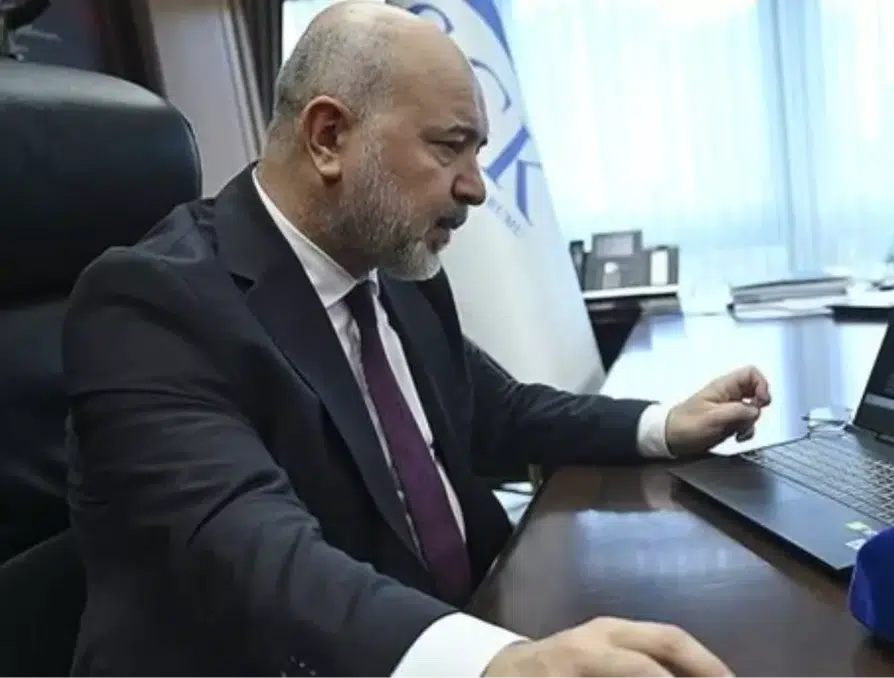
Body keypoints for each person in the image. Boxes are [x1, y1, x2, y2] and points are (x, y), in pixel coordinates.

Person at [60, 4, 756, 677]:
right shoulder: (147, 304)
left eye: (478, 153)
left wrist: (664, 424)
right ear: (328, 136)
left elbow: (496, 410)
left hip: (473, 613)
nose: (476, 188)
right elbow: (254, 552)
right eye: (450, 146)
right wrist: (497, 663)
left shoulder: (392, 264)